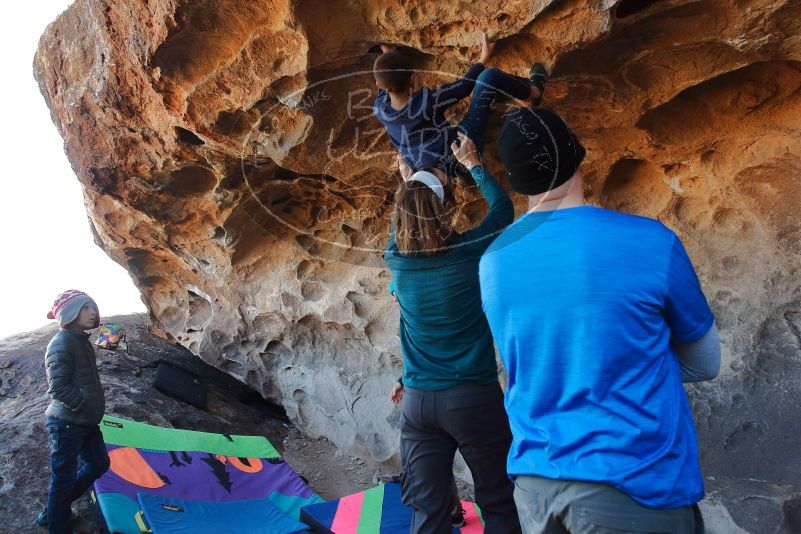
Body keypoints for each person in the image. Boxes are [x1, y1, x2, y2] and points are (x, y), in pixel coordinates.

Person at [478, 107, 721, 533]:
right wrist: (632, 368)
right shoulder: (650, 241)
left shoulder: (493, 261)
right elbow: (705, 363)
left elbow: (533, 363)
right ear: (577, 158)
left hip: (535, 483)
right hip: (630, 481)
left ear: (514, 181)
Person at [384, 132, 521, 533]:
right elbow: (503, 207)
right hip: (472, 400)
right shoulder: (469, 251)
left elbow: (405, 220)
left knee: (428, 513)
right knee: (497, 501)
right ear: (443, 211)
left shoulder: (398, 261)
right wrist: (474, 162)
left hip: (418, 404)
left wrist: (409, 182)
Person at [373, 33, 547, 179]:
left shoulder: (380, 109)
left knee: (486, 90)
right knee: (488, 77)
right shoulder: (428, 101)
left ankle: (497, 93)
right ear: (412, 77)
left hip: (430, 171)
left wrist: (386, 55)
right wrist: (483, 58)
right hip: (462, 154)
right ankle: (534, 93)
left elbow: (384, 85)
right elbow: (463, 87)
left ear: (379, 85)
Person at [38, 290, 109, 534]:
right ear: (70, 313)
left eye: (93, 307)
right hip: (67, 422)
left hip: (85, 421)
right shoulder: (61, 342)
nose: (92, 312)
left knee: (99, 463)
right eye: (85, 307)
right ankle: (57, 524)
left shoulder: (80, 340)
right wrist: (82, 406)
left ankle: (53, 511)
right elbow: (57, 387)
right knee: (63, 478)